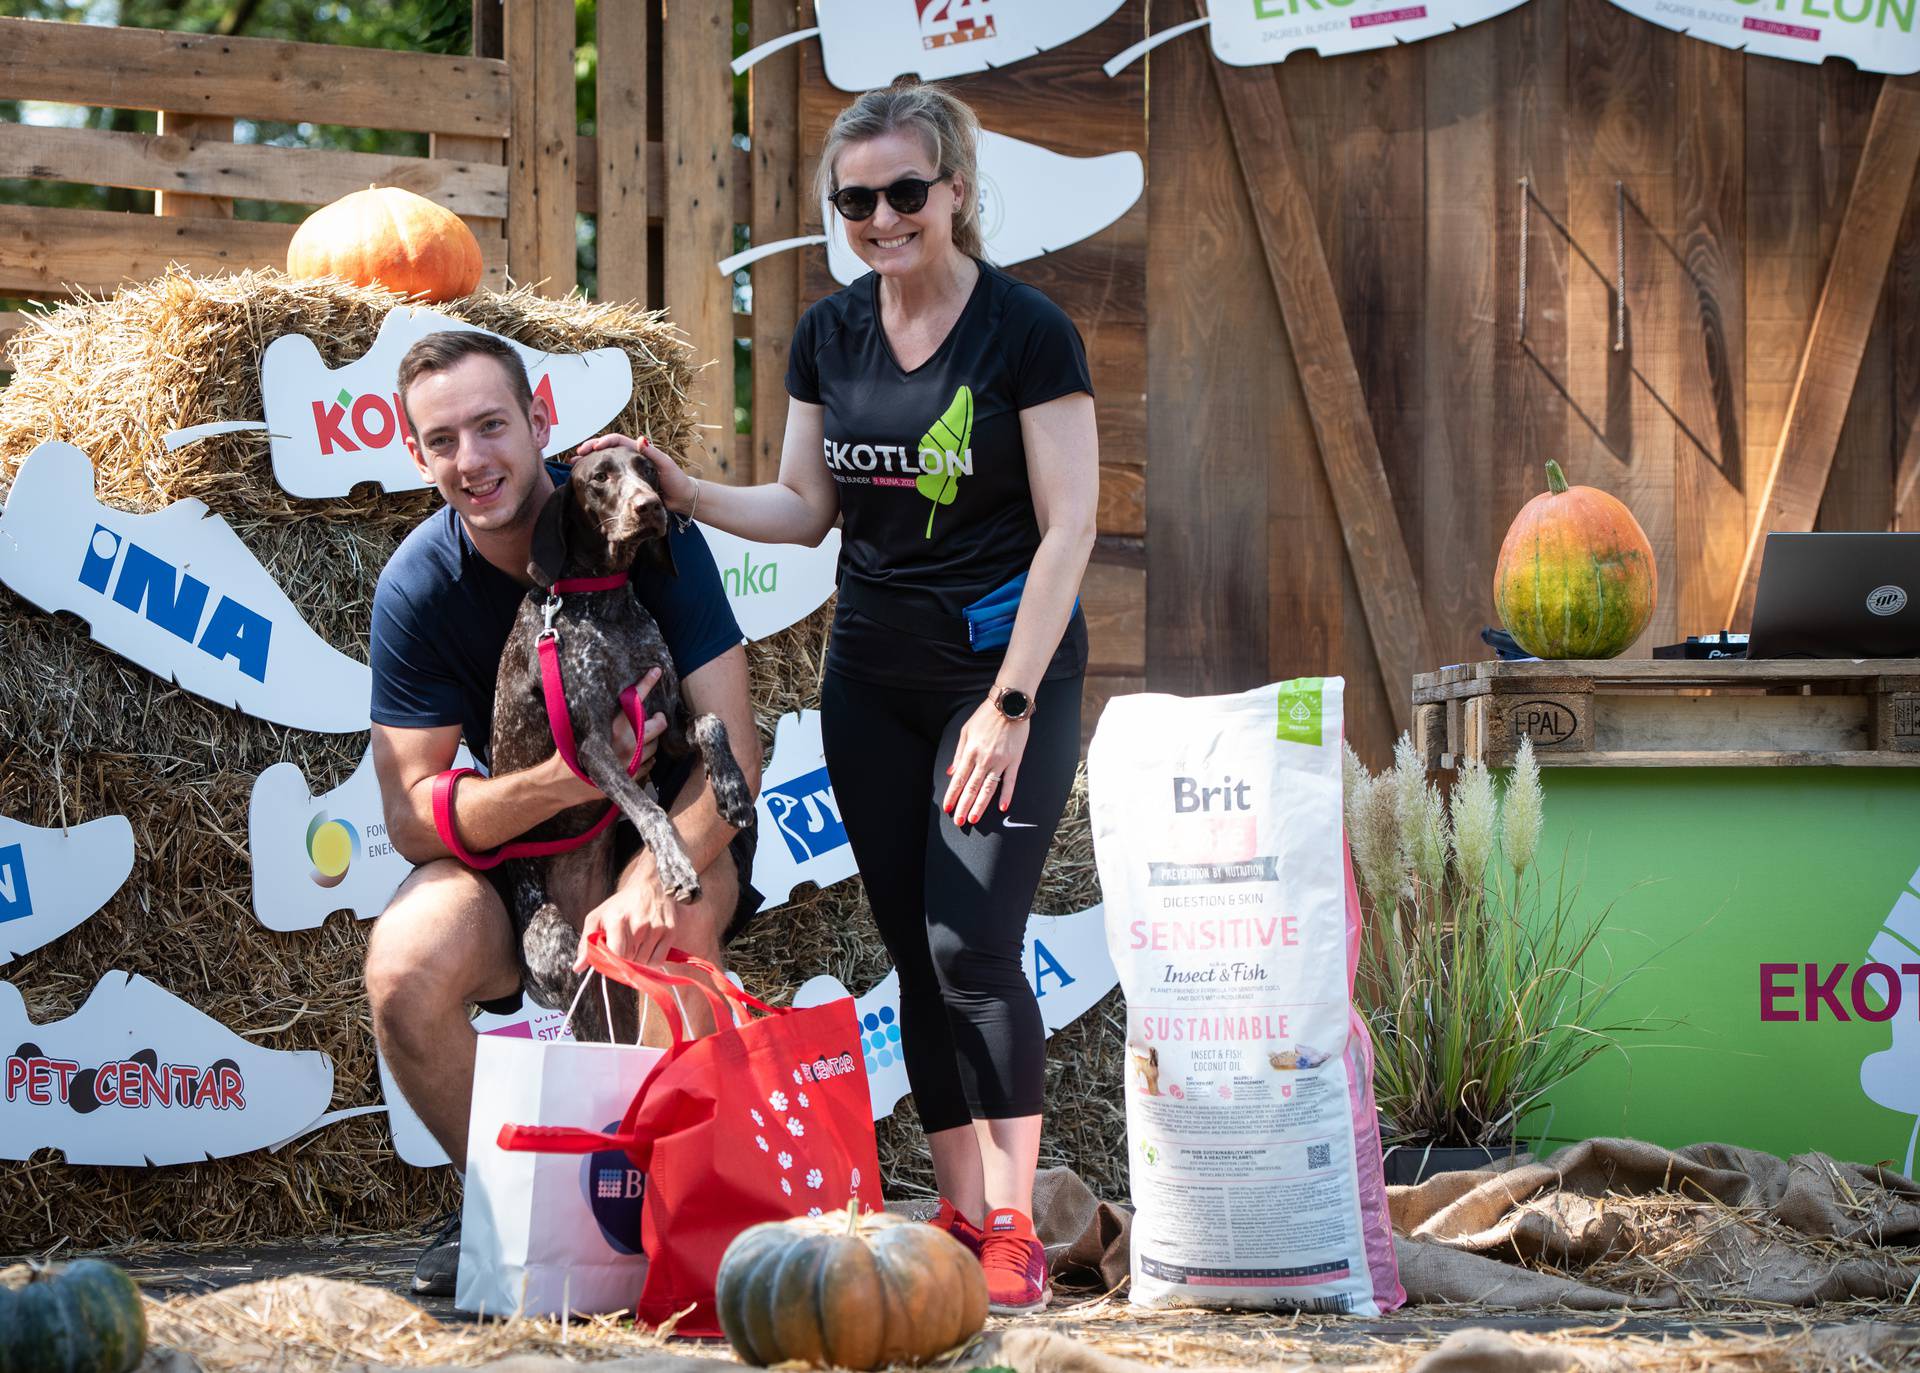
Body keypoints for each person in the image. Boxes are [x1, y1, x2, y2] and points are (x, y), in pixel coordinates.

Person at [641, 79, 1097, 1315]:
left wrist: (1007, 705)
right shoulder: (829, 335)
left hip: (1002, 674)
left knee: (974, 945)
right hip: (872, 675)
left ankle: (1015, 1223)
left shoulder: (1026, 333)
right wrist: (686, 489)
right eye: (857, 200)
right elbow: (803, 510)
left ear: (955, 190)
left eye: (905, 192)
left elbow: (1069, 532)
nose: (882, 217)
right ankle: (955, 1207)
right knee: (912, 945)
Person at [362, 330, 763, 1296]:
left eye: (492, 425)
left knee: (671, 931)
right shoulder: (418, 585)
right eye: (444, 438)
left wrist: (643, 877)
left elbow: (735, 751)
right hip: (520, 861)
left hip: (664, 829)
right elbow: (415, 816)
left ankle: (668, 1235)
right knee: (404, 967)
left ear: (540, 418)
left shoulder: (643, 521)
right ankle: (509, 1210)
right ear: (416, 455)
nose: (473, 459)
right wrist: (557, 782)